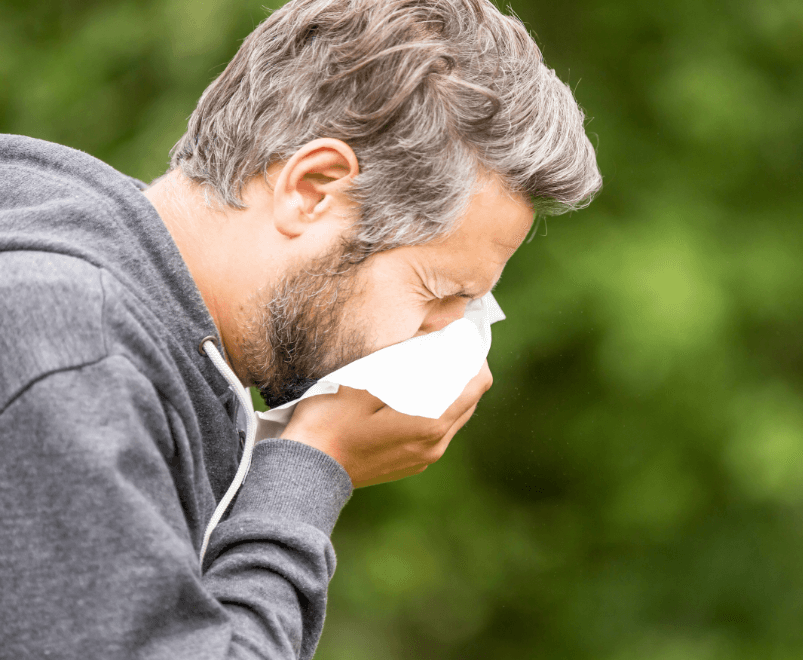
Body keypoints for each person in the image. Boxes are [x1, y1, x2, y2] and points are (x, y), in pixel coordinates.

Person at [0, 0, 601, 656]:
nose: (443, 338)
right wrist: (312, 465)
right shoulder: (74, 353)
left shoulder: (123, 317)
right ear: (313, 189)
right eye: (439, 293)